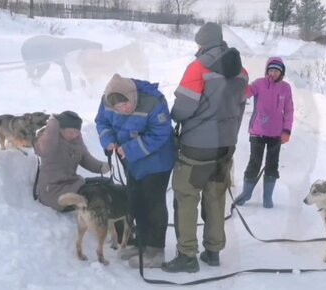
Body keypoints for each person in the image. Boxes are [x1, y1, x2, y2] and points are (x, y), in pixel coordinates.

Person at [161, 22, 249, 273]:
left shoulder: (198, 68)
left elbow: (182, 109)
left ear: (202, 42)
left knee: (187, 196)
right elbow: (241, 106)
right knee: (216, 195)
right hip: (226, 145)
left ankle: (187, 255)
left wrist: (176, 117)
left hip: (197, 146)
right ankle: (213, 251)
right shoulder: (241, 71)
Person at [95, 73, 176, 269]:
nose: (123, 110)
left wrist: (130, 149)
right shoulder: (107, 101)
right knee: (136, 200)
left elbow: (161, 133)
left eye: (126, 105)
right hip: (132, 161)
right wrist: (108, 141)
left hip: (156, 161)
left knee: (153, 203)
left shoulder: (153, 102)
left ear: (132, 96)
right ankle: (142, 242)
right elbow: (102, 122)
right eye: (118, 108)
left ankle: (155, 250)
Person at [233, 57, 294, 208]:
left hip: (276, 134)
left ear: (281, 72)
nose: (273, 73)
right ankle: (246, 194)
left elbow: (289, 110)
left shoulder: (285, 88)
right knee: (254, 162)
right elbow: (245, 92)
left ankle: (268, 197)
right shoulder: (259, 83)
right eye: (271, 70)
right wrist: (238, 78)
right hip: (257, 131)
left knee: (272, 165)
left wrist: (287, 130)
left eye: (276, 71)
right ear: (267, 71)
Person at [34, 111, 110, 211]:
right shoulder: (49, 138)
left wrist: (100, 166)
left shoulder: (76, 139)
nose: (75, 135)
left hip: (73, 184)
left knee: (106, 184)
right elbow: (45, 149)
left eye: (77, 132)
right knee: (95, 193)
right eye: (71, 132)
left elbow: (85, 157)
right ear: (60, 129)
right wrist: (53, 123)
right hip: (53, 192)